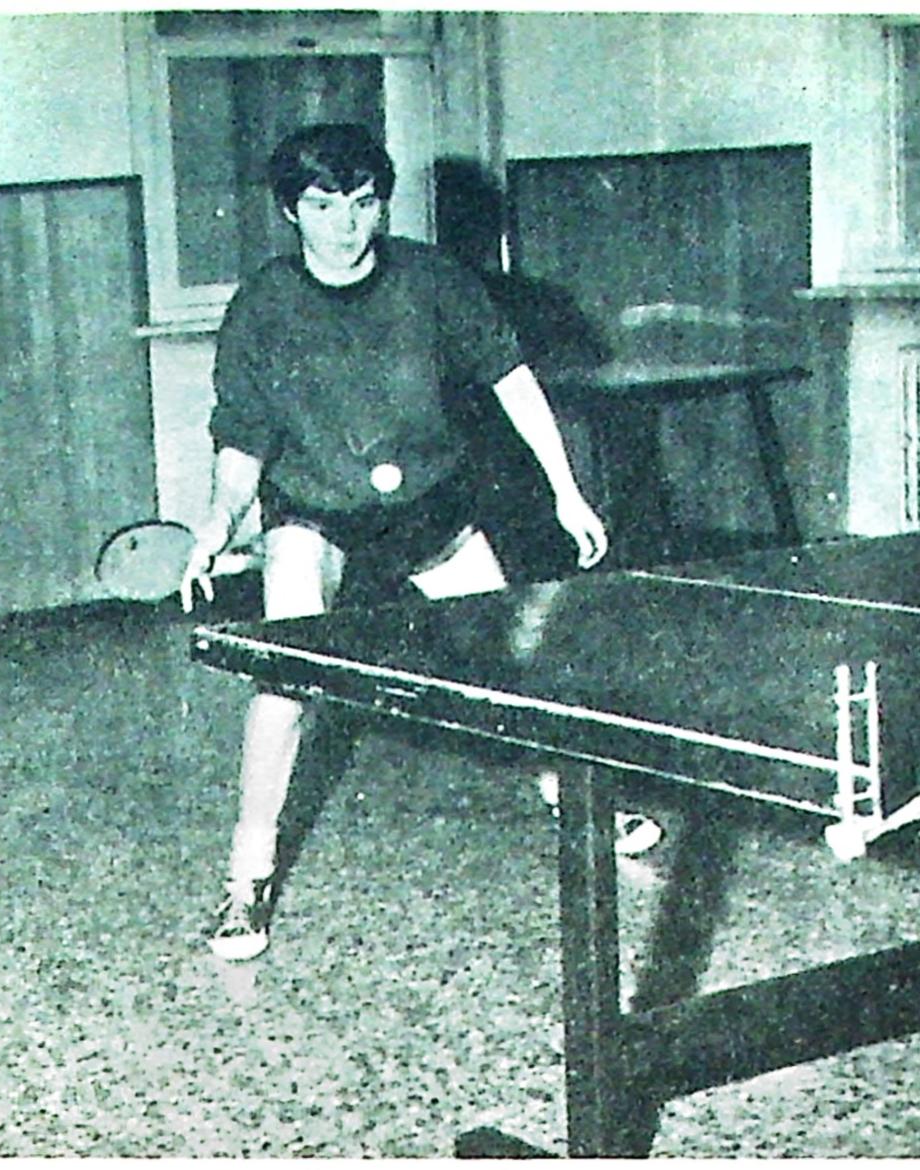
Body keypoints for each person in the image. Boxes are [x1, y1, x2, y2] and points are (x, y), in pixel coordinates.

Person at [180, 123, 609, 961]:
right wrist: (217, 523)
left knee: (514, 662)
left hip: (428, 504)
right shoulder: (263, 306)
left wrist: (566, 491)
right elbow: (242, 441)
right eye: (322, 206)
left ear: (382, 204)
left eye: (363, 203)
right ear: (289, 211)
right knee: (285, 677)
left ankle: (580, 800)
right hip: (313, 509)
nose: (345, 225)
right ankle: (247, 878)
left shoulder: (431, 280)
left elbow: (514, 384)